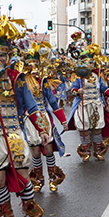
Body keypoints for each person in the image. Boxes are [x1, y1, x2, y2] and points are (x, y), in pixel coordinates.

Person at [0, 17, 51, 217]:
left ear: (9, 57)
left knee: (23, 178)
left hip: (16, 134)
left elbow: (33, 107)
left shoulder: (19, 79)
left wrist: (43, 129)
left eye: (2, 55)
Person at [23, 42, 68, 192]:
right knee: (35, 152)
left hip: (43, 118)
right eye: (31, 66)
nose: (35, 70)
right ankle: (38, 178)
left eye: (37, 65)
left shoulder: (44, 82)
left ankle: (52, 177)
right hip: (29, 119)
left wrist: (63, 120)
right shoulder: (21, 82)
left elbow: (53, 103)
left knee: (48, 149)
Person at [67, 44, 109, 161]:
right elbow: (72, 90)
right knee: (84, 128)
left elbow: (103, 88)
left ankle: (98, 151)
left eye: (91, 62)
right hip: (83, 106)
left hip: (96, 105)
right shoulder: (78, 77)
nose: (90, 65)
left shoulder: (96, 76)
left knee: (97, 127)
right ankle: (85, 151)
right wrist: (77, 91)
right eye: (87, 62)